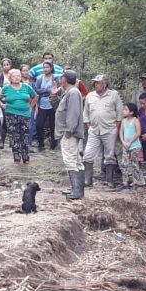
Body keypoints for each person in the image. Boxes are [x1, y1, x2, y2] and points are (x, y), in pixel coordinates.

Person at [83, 74, 124, 188]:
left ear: (105, 84)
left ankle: (109, 180)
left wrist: (116, 125)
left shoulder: (114, 95)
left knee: (109, 155)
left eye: (98, 83)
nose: (96, 85)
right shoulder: (90, 96)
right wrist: (88, 124)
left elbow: (119, 112)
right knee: (88, 154)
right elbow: (86, 112)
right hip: (94, 130)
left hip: (109, 129)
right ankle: (88, 181)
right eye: (95, 83)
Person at [54, 70, 85, 200]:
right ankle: (77, 189)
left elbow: (73, 113)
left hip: (69, 133)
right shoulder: (71, 92)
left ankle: (77, 191)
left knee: (70, 160)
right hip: (70, 132)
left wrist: (68, 130)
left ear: (64, 80)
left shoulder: (73, 93)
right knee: (76, 160)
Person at [0, 68, 37, 164]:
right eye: (14, 76)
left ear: (21, 77)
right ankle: (16, 158)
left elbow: (35, 96)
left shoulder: (26, 87)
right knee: (14, 137)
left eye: (18, 76)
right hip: (11, 115)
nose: (16, 78)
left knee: (25, 136)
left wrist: (31, 107)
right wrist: (1, 105)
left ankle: (26, 158)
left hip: (25, 114)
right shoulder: (6, 88)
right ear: (10, 78)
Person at [34, 62, 61, 151]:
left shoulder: (56, 77)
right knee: (39, 124)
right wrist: (48, 90)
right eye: (44, 67)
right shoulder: (39, 78)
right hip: (42, 104)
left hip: (53, 104)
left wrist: (46, 91)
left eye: (47, 67)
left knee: (53, 125)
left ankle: (53, 144)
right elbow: (37, 90)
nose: (45, 69)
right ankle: (41, 144)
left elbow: (57, 90)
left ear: (51, 68)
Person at [118, 103, 145, 191]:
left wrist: (130, 142)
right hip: (125, 146)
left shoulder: (135, 120)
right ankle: (125, 182)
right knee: (124, 163)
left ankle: (137, 181)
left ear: (132, 112)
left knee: (134, 163)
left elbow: (138, 133)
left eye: (126, 109)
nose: (124, 111)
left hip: (134, 146)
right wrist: (123, 142)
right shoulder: (123, 121)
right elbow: (121, 132)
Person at [0, 58, 12, 149]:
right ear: (1, 66)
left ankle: (12, 141)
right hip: (4, 100)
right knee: (5, 120)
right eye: (4, 65)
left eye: (7, 64)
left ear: (10, 65)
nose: (6, 66)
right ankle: (2, 141)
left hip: (13, 100)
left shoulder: (14, 74)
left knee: (13, 120)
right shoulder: (0, 76)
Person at [21, 64, 38, 149]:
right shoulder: (18, 82)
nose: (26, 72)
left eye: (27, 70)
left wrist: (35, 107)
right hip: (20, 106)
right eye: (24, 70)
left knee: (30, 125)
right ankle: (21, 143)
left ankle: (29, 143)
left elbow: (36, 95)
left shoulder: (32, 82)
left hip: (30, 106)